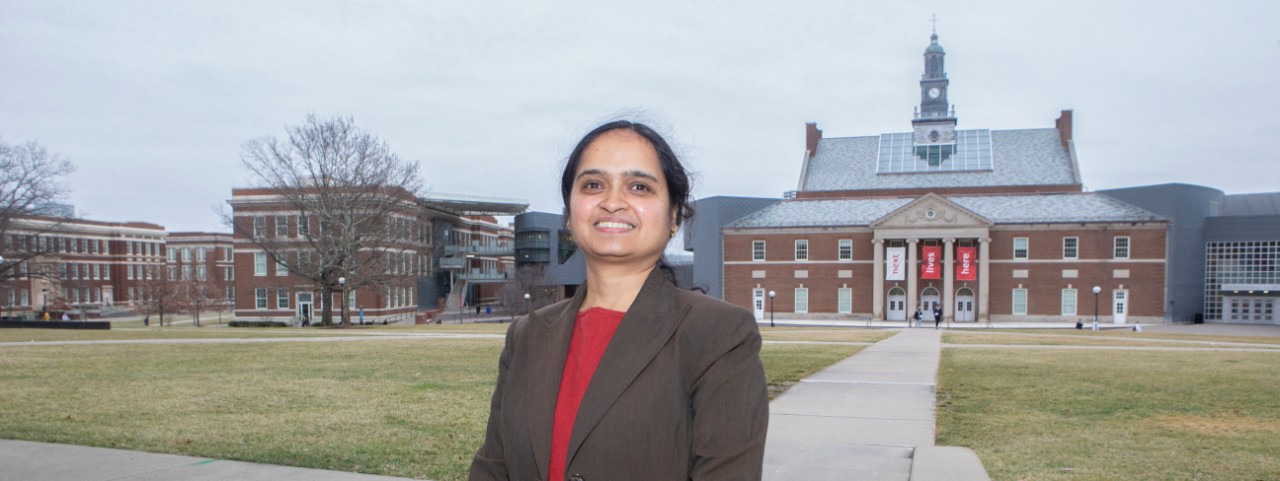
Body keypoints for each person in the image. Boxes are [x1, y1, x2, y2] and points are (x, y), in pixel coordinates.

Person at [469, 120, 768, 481]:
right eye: (593, 185)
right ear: (569, 213)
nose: (612, 202)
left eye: (639, 187)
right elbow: (492, 468)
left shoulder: (719, 335)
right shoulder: (526, 336)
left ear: (674, 216)